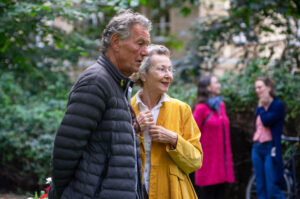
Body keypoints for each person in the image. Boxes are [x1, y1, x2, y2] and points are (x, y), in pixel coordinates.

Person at [48, 9, 151, 199]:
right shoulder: (96, 82)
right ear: (116, 42)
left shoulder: (118, 84)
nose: (145, 52)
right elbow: (66, 151)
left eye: (147, 45)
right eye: (140, 44)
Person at [130, 44, 203, 199]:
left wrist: (173, 139)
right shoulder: (126, 108)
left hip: (173, 193)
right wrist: (134, 129)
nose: (169, 75)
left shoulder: (181, 109)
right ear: (143, 74)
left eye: (170, 70)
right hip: (133, 192)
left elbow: (196, 161)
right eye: (162, 69)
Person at [192, 75, 235, 199]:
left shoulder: (221, 106)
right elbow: (192, 134)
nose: (219, 85)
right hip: (207, 163)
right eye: (216, 83)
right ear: (208, 88)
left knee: (221, 194)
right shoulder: (200, 109)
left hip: (222, 162)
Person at [252, 76, 285, 199]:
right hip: (256, 147)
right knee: (260, 187)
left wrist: (260, 107)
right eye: (256, 88)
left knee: (272, 187)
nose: (257, 90)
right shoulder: (260, 107)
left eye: (260, 87)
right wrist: (261, 107)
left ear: (269, 87)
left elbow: (266, 121)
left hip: (270, 148)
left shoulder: (277, 105)